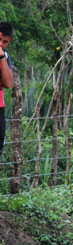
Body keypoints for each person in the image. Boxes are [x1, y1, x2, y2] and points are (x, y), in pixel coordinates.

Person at [0, 22, 14, 155]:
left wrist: (1, 57)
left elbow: (8, 83)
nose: (1, 44)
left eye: (5, 42)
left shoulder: (5, 57)